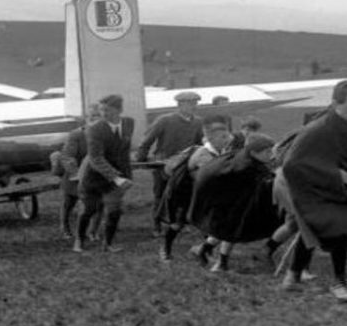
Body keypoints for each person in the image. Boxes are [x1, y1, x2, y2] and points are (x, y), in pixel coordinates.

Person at [277, 80, 347, 302]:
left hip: (345, 191)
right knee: (339, 230)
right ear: (335, 103)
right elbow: (292, 163)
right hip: (316, 188)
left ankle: (292, 277)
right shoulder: (318, 128)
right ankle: (339, 284)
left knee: (315, 230)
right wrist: (334, 174)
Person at [189, 133, 281, 273]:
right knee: (231, 230)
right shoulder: (247, 166)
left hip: (230, 198)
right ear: (254, 152)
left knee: (226, 229)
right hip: (224, 200)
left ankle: (203, 249)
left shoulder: (242, 155)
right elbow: (266, 184)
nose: (271, 155)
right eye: (267, 152)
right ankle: (221, 264)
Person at [159, 115, 233, 264]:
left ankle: (204, 252)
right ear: (211, 139)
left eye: (227, 136)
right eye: (223, 137)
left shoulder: (221, 151)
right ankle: (165, 249)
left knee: (208, 224)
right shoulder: (202, 155)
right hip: (184, 195)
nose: (227, 139)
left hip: (201, 195)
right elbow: (212, 178)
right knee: (177, 224)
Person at [136, 90, 204, 235]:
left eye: (195, 103)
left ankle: (179, 223)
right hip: (164, 163)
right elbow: (148, 140)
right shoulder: (165, 120)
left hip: (185, 164)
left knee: (183, 194)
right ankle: (157, 225)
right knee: (160, 195)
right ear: (180, 105)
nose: (194, 106)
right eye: (190, 103)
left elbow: (199, 143)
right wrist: (141, 158)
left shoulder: (198, 122)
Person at [75, 94, 134, 253]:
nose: (103, 113)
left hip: (119, 177)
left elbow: (124, 150)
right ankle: (79, 241)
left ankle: (108, 244)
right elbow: (95, 158)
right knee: (88, 210)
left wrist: (126, 175)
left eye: (107, 110)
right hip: (94, 176)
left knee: (114, 210)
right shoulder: (94, 129)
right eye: (101, 110)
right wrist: (115, 178)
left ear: (119, 110)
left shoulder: (129, 123)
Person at [56, 104, 102, 241]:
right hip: (75, 174)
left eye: (98, 116)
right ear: (86, 119)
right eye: (92, 116)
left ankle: (93, 231)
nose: (95, 119)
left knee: (99, 204)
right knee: (69, 202)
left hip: (97, 174)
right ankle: (64, 227)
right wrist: (76, 173)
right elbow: (68, 156)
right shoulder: (77, 135)